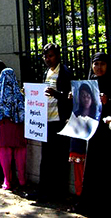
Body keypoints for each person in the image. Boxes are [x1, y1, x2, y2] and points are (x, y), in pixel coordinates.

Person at [74, 52, 111, 217]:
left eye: (102, 64)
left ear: (108, 65)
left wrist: (109, 102)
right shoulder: (90, 84)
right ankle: (93, 206)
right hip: (95, 134)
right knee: (95, 169)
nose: (98, 68)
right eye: (95, 64)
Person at [36, 43, 73, 202]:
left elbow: (70, 97)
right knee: (47, 158)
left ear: (58, 55)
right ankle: (45, 191)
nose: (47, 59)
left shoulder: (64, 73)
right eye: (45, 56)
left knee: (59, 159)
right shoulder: (47, 72)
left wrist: (56, 94)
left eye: (50, 55)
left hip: (60, 121)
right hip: (47, 121)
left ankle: (59, 193)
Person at [0, 68, 27, 191]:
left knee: (5, 154)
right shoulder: (19, 94)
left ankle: (7, 181)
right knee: (20, 152)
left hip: (3, 126)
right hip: (17, 126)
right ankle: (22, 180)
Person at [69, 83, 97, 198]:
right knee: (78, 174)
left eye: (88, 96)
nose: (85, 99)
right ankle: (79, 196)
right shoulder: (75, 113)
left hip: (90, 149)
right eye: (82, 96)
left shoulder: (96, 114)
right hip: (77, 147)